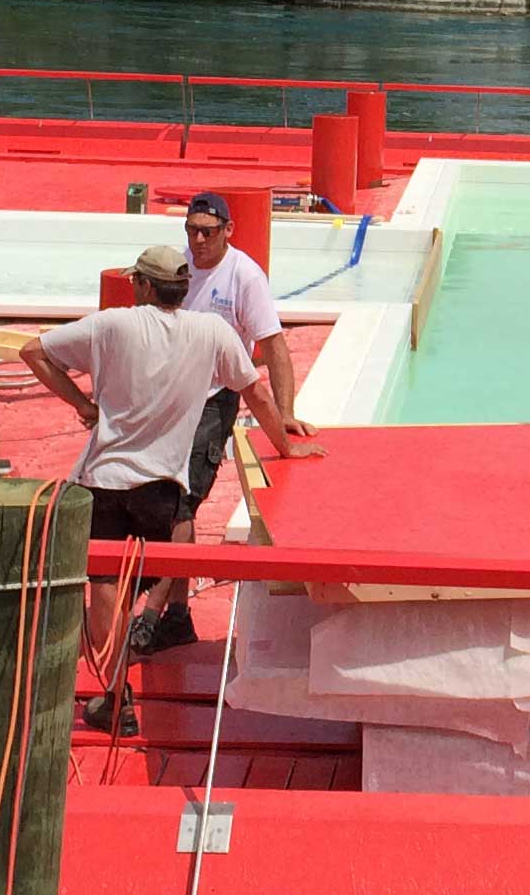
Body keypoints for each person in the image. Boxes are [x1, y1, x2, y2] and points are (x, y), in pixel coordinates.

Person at [24, 243, 298, 736]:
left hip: (104, 482)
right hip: (164, 487)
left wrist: (83, 405)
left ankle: (115, 699)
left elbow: (33, 352)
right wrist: (287, 445)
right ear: (183, 289)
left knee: (105, 588)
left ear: (144, 286)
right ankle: (152, 618)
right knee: (167, 549)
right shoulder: (212, 332)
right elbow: (256, 392)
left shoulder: (112, 325)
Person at [130, 191, 316, 657]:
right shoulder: (178, 269)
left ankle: (153, 615)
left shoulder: (244, 277)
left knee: (182, 504)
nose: (198, 240)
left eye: (208, 232)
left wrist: (284, 414)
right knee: (167, 502)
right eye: (192, 230)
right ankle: (177, 616)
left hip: (214, 401)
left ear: (228, 231)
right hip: (170, 399)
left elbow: (273, 346)